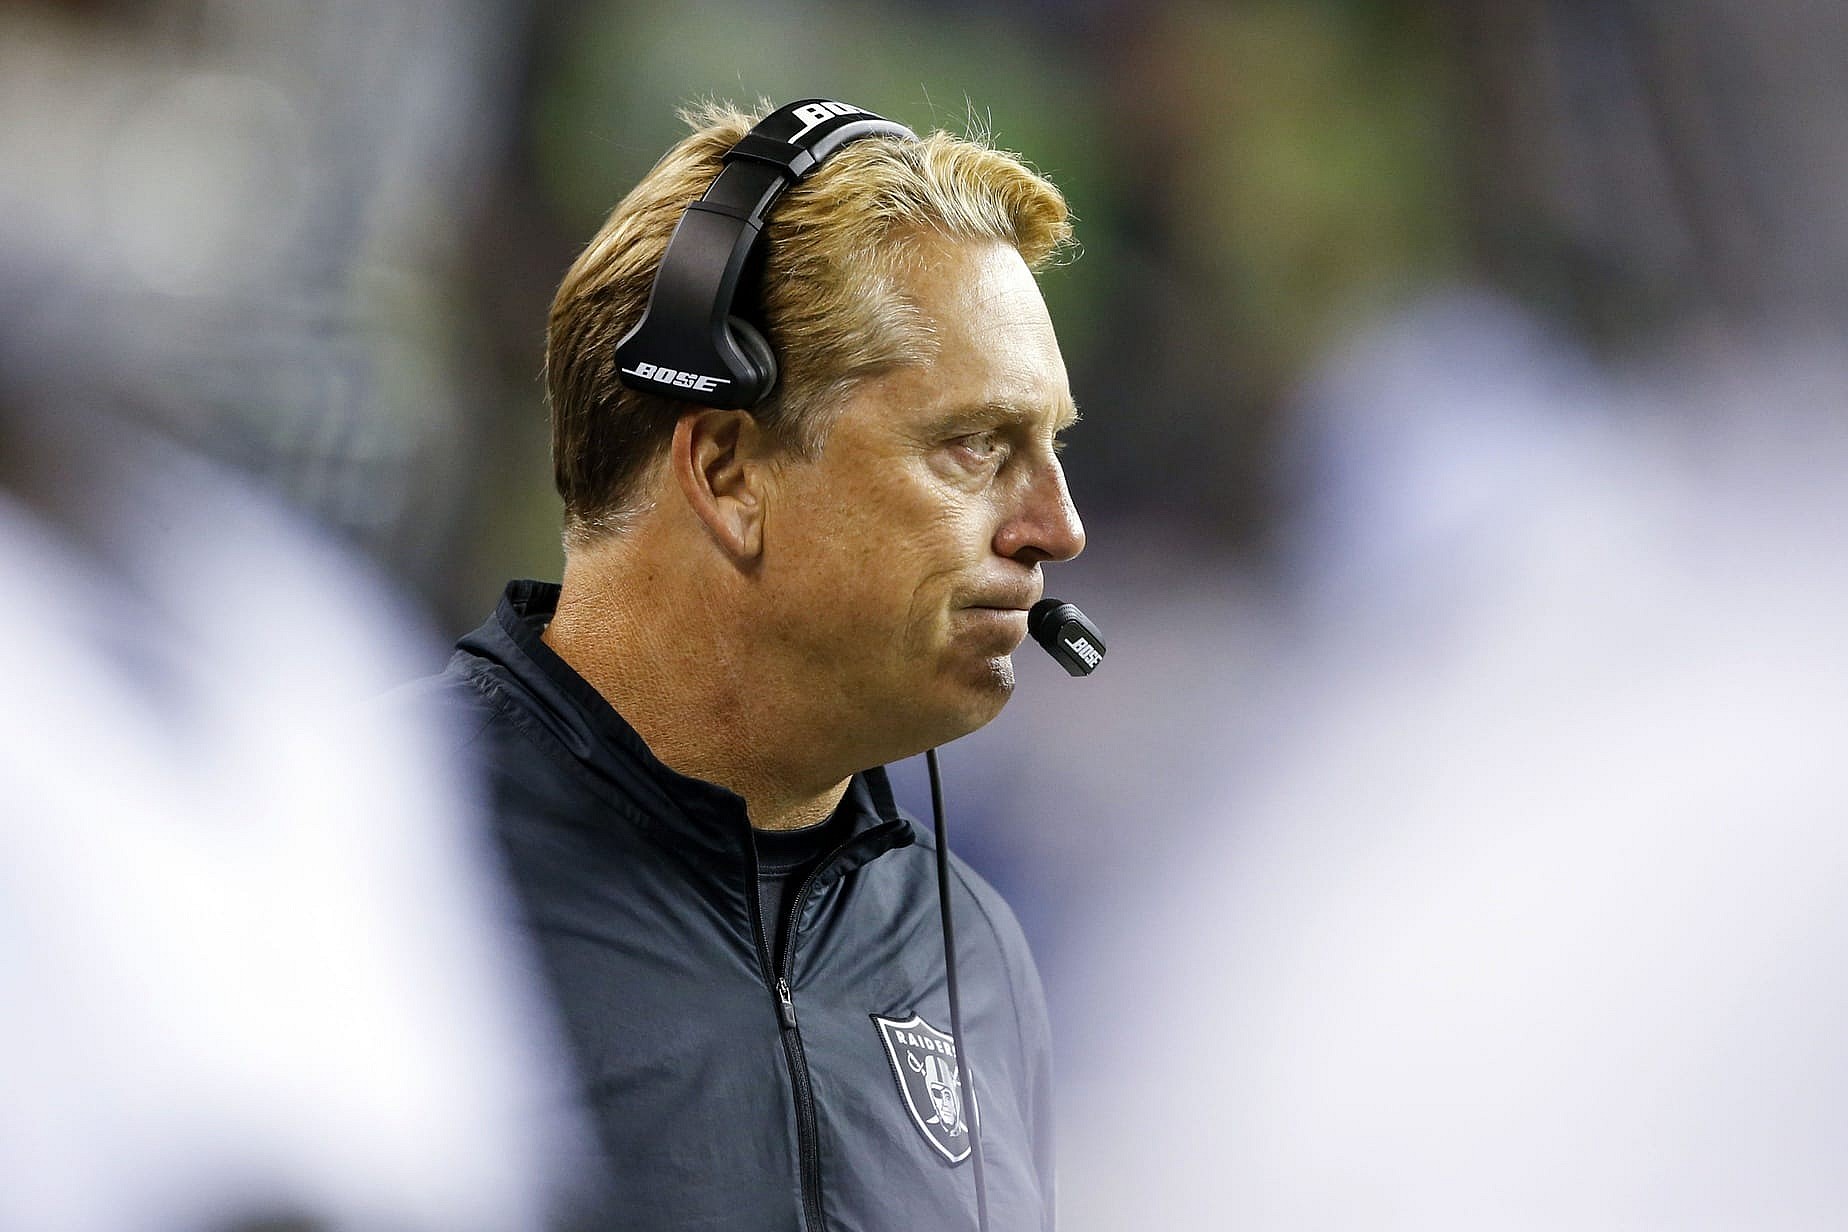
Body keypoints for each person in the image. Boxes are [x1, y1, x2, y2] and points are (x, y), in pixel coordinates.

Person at [413, 99, 1085, 1231]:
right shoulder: (368, 847)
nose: (1056, 530)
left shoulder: (972, 947)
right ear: (728, 472)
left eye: (1051, 448)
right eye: (976, 444)